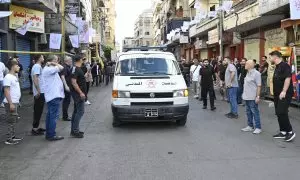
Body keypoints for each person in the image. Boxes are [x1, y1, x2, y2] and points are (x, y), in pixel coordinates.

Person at [269, 51, 296, 142]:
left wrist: (284, 91)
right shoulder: (277, 66)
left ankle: (290, 132)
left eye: (270, 57)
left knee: (282, 112)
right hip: (277, 94)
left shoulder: (285, 66)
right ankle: (283, 131)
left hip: (284, 93)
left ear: (275, 57)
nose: (270, 59)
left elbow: (288, 78)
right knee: (278, 112)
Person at [42, 55, 65, 141]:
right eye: (56, 60)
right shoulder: (49, 69)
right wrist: (53, 63)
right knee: (53, 116)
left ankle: (49, 133)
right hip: (53, 96)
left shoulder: (48, 69)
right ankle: (51, 135)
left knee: (50, 116)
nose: (57, 62)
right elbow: (61, 67)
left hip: (53, 95)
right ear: (51, 61)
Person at [3, 59, 22, 145]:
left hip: (15, 101)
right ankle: (8, 139)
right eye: (17, 65)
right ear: (12, 66)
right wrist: (10, 103)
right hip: (10, 102)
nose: (18, 66)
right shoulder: (7, 77)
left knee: (14, 120)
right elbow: (6, 90)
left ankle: (13, 136)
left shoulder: (14, 76)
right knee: (10, 121)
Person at [241, 60, 262, 134]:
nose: (245, 65)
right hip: (246, 96)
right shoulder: (248, 72)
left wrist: (258, 96)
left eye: (246, 64)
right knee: (248, 112)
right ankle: (250, 126)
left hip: (253, 97)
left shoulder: (257, 74)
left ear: (250, 65)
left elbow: (259, 86)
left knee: (255, 112)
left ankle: (258, 127)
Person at [70, 54, 86, 138]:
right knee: (80, 111)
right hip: (78, 94)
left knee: (76, 111)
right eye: (83, 59)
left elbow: (78, 80)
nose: (83, 60)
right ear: (79, 60)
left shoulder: (75, 68)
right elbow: (73, 82)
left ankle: (74, 130)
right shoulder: (75, 69)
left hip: (77, 93)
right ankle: (75, 131)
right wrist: (80, 93)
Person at [31, 55, 46, 135]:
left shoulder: (38, 66)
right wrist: (38, 91)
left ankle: (36, 127)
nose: (43, 58)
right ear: (39, 58)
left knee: (39, 110)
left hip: (40, 91)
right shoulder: (37, 66)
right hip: (39, 92)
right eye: (42, 57)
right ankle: (34, 129)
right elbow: (35, 78)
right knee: (38, 110)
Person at [61, 56, 73, 121]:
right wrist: (66, 86)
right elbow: (62, 76)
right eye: (70, 60)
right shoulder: (65, 67)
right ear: (66, 61)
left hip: (68, 86)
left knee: (67, 101)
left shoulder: (67, 67)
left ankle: (65, 116)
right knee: (66, 101)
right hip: (67, 87)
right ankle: (65, 117)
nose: (71, 61)